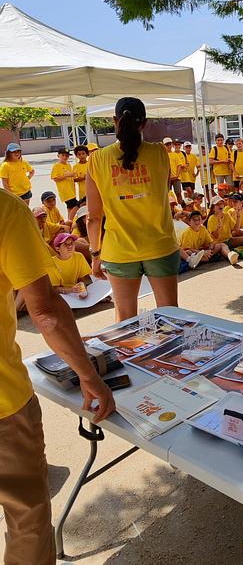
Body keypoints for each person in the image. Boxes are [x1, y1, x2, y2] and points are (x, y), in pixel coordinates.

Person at [0, 190, 114, 564]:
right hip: (4, 405)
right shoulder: (6, 210)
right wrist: (89, 376)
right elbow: (45, 310)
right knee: (27, 521)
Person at [87, 98, 180, 321]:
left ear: (115, 121)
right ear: (144, 123)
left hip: (119, 250)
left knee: (125, 318)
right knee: (171, 316)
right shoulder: (160, 153)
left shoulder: (97, 159)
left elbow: (93, 217)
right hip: (160, 245)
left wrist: (95, 254)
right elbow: (163, 190)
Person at [51, 148, 79, 220]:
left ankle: (69, 220)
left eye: (67, 156)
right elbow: (55, 178)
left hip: (71, 190)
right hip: (65, 191)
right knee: (77, 206)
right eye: (63, 155)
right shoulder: (56, 166)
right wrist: (67, 176)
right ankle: (70, 221)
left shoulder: (68, 165)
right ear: (58, 156)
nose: (65, 157)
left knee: (70, 207)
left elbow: (71, 176)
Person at [163, 137, 185, 206]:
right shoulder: (163, 155)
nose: (169, 146)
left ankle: (181, 206)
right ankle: (170, 207)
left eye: (170, 144)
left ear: (172, 145)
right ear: (164, 146)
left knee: (178, 193)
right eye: (167, 145)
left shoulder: (175, 154)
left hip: (176, 178)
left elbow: (179, 165)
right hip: (167, 178)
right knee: (168, 194)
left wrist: (177, 175)